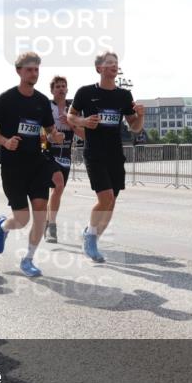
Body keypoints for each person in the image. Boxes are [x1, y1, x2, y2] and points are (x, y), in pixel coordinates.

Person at [0, 52, 65, 277]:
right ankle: (2, 226)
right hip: (13, 166)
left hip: (37, 164)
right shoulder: (7, 99)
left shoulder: (41, 101)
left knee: (40, 215)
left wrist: (55, 136)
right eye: (29, 69)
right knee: (22, 219)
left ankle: (28, 259)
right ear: (19, 71)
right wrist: (5, 141)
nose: (34, 73)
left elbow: (49, 130)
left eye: (37, 69)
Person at [67, 52, 145, 263]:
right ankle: (90, 237)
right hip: (94, 153)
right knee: (106, 198)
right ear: (99, 68)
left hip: (115, 154)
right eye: (109, 63)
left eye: (116, 63)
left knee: (111, 202)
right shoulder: (85, 92)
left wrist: (141, 116)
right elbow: (70, 116)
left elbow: (135, 127)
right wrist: (83, 122)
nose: (114, 66)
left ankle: (93, 236)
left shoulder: (124, 96)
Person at [43, 75, 83, 244]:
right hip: (48, 154)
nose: (61, 88)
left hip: (65, 156)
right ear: (52, 90)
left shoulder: (73, 109)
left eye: (63, 86)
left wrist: (71, 122)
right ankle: (52, 227)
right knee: (58, 184)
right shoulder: (47, 107)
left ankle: (47, 221)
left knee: (57, 191)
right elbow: (42, 133)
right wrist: (53, 136)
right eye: (57, 86)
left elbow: (82, 134)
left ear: (67, 89)